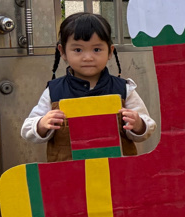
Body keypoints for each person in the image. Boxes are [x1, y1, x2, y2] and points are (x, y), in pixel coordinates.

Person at [22, 12, 156, 161]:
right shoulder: (54, 91)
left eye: (96, 49)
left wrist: (139, 125)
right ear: (62, 51)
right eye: (78, 50)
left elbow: (148, 126)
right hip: (70, 172)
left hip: (117, 171)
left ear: (110, 51)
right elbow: (27, 129)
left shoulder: (124, 89)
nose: (88, 57)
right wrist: (41, 124)